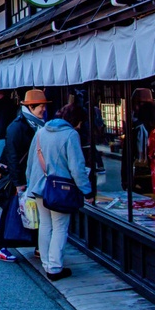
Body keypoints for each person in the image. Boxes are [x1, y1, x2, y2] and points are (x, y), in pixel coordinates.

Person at [24, 104, 94, 282]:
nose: (79, 126)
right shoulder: (70, 135)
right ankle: (54, 268)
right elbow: (77, 168)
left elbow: (31, 161)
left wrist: (29, 183)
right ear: (76, 121)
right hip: (60, 189)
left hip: (39, 186)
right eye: (79, 123)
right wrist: (87, 191)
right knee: (60, 227)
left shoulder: (41, 132)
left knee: (45, 225)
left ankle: (47, 263)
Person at [0, 89, 48, 262]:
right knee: (11, 211)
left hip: (33, 175)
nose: (43, 110)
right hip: (19, 177)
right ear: (30, 107)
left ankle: (39, 245)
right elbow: (13, 156)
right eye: (41, 107)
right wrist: (18, 182)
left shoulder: (37, 124)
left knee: (35, 211)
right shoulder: (18, 126)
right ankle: (0, 247)